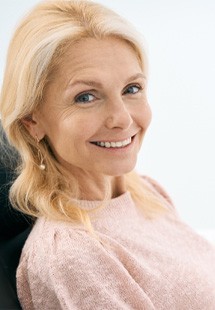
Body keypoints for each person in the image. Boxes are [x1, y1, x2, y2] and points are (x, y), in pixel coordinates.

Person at [0, 0, 215, 309]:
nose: (123, 119)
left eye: (131, 89)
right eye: (86, 97)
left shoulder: (147, 193)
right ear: (32, 121)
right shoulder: (73, 256)